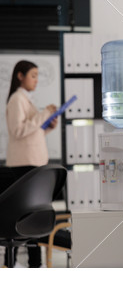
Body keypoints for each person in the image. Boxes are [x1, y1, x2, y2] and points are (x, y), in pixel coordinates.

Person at [3, 60, 58, 268]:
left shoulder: (26, 100)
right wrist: (44, 114)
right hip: (24, 165)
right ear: (20, 76)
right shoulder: (17, 99)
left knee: (31, 215)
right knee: (26, 216)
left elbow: (31, 133)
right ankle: (26, 264)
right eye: (33, 75)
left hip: (32, 164)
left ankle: (32, 264)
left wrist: (48, 126)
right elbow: (17, 131)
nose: (36, 80)